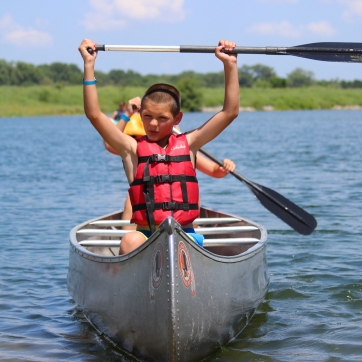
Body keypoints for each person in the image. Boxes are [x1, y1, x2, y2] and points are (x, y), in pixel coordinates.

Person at [79, 38, 239, 255]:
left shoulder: (190, 143)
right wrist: (89, 66)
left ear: (177, 119)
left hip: (185, 236)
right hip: (146, 236)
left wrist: (230, 66)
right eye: (148, 116)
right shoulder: (132, 149)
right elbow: (94, 115)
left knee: (186, 244)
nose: (153, 124)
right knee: (130, 239)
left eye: (162, 118)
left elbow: (229, 112)